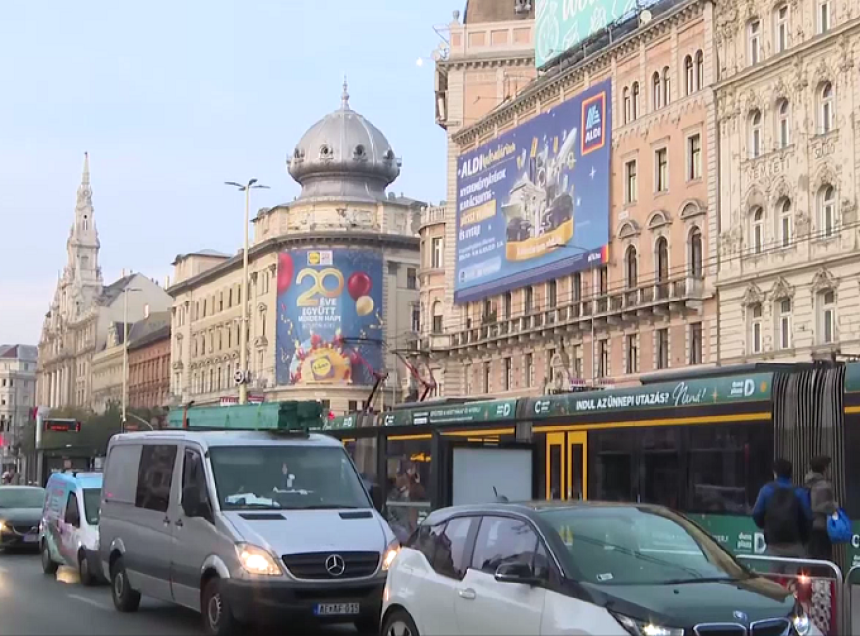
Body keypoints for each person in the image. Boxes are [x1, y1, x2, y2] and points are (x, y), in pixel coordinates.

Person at [752, 459, 812, 567]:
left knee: (775, 576)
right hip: (795, 542)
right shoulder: (799, 492)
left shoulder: (766, 490)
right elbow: (808, 516)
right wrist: (804, 538)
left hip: (774, 541)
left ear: (775, 473)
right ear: (791, 473)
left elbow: (756, 513)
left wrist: (766, 526)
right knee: (795, 578)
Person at [805, 455, 838, 562]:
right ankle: (821, 579)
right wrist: (835, 506)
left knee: (812, 557)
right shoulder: (824, 486)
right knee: (823, 558)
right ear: (824, 468)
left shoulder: (808, 482)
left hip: (809, 525)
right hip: (821, 526)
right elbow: (821, 506)